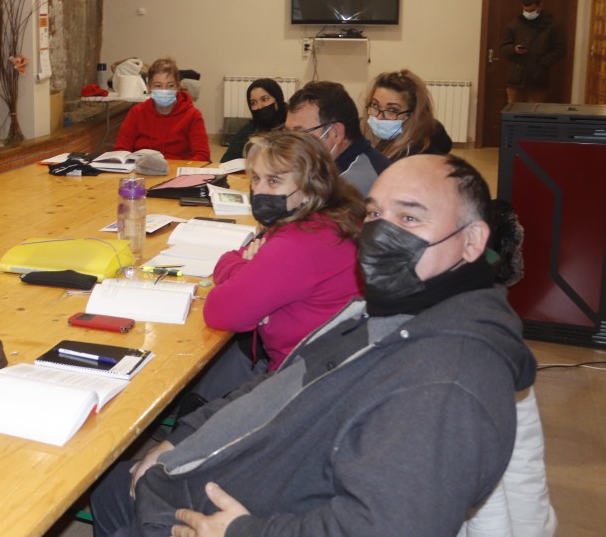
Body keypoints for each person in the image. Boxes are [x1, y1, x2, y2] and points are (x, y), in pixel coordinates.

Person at [90, 154, 537, 537]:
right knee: (115, 487)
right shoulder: (393, 307)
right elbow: (283, 382)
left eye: (410, 217)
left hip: (234, 519)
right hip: (218, 477)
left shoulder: (446, 382)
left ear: (473, 241)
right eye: (376, 215)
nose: (381, 234)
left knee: (110, 497)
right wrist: (181, 439)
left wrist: (245, 532)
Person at [192, 130, 364, 401]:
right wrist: (251, 268)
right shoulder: (326, 217)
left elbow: (219, 311)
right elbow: (235, 258)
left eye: (274, 181)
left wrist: (248, 268)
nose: (259, 191)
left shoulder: (300, 243)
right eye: (256, 179)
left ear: (309, 187)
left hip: (303, 383)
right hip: (336, 367)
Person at [285, 80, 390, 195]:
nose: (290, 143)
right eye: (287, 133)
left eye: (300, 133)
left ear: (336, 133)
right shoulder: (333, 167)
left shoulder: (349, 186)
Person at [114, 57, 210, 161]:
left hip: (179, 171)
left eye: (170, 85)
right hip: (142, 170)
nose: (164, 90)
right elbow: (121, 150)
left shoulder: (192, 115)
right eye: (158, 86)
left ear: (178, 87)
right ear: (149, 87)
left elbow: (202, 155)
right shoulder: (137, 112)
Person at [362, 69, 452, 161]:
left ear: (412, 115)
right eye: (375, 105)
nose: (379, 117)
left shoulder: (411, 157)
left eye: (392, 110)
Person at [499, 0, 565, 104]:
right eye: (526, 10)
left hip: (538, 77)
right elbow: (503, 48)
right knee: (512, 112)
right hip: (516, 76)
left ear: (539, 6)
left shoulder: (551, 26)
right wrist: (514, 49)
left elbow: (560, 49)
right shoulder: (514, 25)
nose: (528, 13)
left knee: (534, 112)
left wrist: (543, 63)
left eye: (531, 10)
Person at [220, 78, 287, 163]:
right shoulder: (251, 128)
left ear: (278, 99)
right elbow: (226, 162)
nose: (259, 106)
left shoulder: (291, 124)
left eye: (264, 99)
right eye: (253, 103)